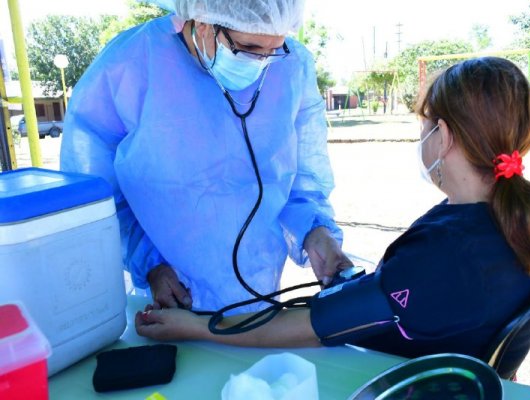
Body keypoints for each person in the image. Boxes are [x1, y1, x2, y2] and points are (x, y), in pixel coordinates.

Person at [135, 57, 530, 364]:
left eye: (424, 123)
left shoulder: (446, 252)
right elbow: (411, 295)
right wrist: (352, 282)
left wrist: (195, 327)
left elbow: (314, 328)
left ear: (445, 135)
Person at [60, 0, 351, 314]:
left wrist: (317, 233)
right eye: (249, 47)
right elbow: (93, 191)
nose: (261, 63)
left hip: (258, 291)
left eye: (274, 49)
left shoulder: (292, 66)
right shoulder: (128, 64)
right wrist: (150, 264)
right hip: (167, 293)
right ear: (202, 24)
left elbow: (301, 180)